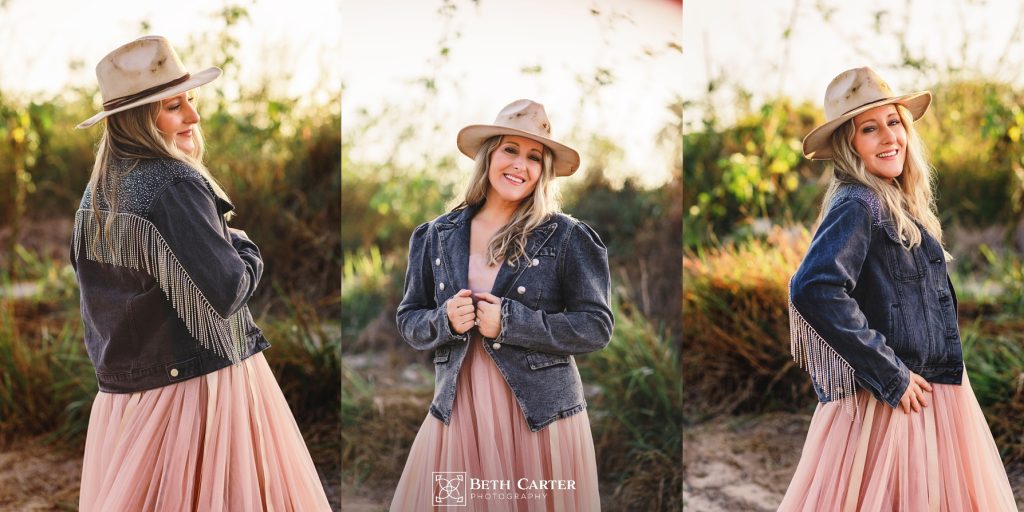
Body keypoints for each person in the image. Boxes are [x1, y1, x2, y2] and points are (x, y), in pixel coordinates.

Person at [71, 36, 330, 511]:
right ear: (138, 120)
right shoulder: (174, 181)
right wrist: (244, 244)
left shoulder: (95, 197)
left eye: (191, 100)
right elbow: (227, 289)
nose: (193, 116)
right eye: (174, 106)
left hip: (125, 396)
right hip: (198, 388)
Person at [779, 67, 1016, 511]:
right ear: (849, 146)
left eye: (894, 122)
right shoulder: (858, 203)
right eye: (870, 129)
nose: (889, 136)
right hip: (891, 402)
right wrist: (892, 373)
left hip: (936, 392)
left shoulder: (897, 201)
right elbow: (814, 287)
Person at [389, 99, 613, 511]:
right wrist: (444, 320)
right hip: (460, 411)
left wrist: (510, 322)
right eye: (510, 149)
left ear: (543, 170)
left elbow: (596, 326)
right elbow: (409, 318)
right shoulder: (435, 234)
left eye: (534, 157)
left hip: (541, 418)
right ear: (489, 155)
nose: (520, 165)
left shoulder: (567, 237)